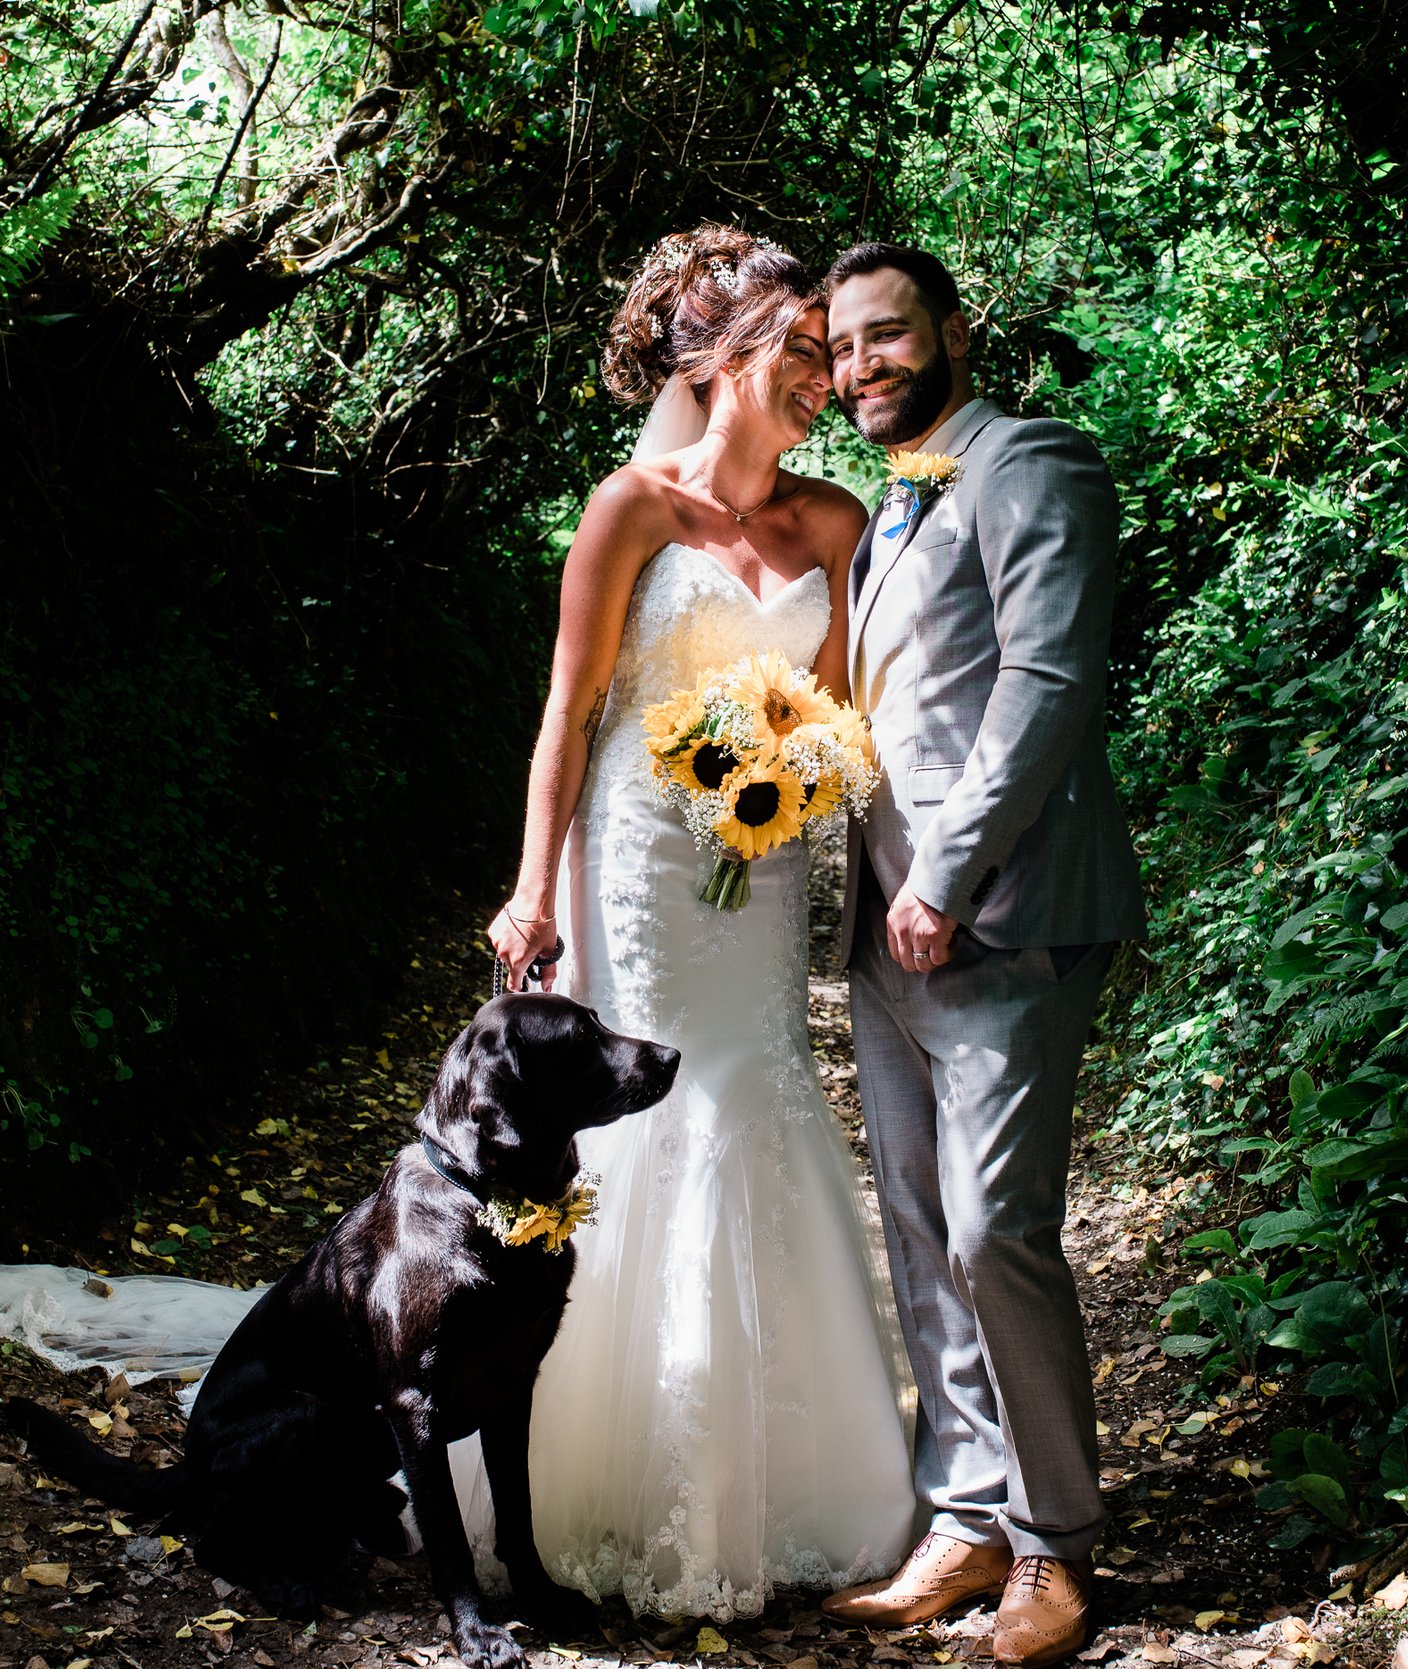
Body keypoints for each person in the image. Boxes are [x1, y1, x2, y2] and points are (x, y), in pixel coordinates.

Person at [483, 224, 919, 1620]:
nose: (822, 378)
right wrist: (532, 886)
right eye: (801, 350)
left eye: (827, 357)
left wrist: (804, 773)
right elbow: (568, 713)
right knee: (651, 1111)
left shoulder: (835, 523)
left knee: (758, 1095)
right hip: (641, 858)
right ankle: (612, 1473)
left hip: (763, 860)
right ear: (725, 357)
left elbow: (848, 709)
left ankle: (776, 1477)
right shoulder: (630, 509)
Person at [813, 244, 1143, 1668]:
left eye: (886, 337)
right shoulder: (895, 500)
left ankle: (1056, 1536)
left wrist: (946, 875)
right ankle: (967, 1515)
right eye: (842, 348)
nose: (861, 367)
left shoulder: (1032, 461)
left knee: (992, 1227)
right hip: (884, 927)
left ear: (953, 332)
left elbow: (1047, 679)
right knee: (915, 1220)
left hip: (1004, 913)